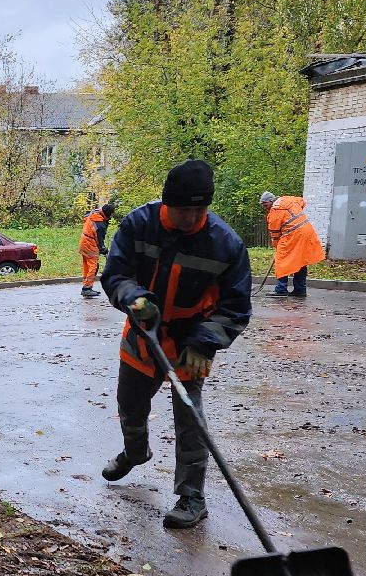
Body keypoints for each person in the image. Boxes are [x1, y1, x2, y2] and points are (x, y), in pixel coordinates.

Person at [99, 160, 252, 528]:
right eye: (185, 209)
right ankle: (136, 452)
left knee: (190, 420)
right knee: (130, 406)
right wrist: (134, 297)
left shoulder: (225, 244)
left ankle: (191, 497)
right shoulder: (139, 224)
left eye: (200, 210)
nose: (191, 217)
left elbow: (235, 307)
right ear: (168, 203)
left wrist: (205, 342)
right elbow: (116, 274)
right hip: (143, 336)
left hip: (190, 344)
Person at [260, 191, 324, 297]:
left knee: (281, 260)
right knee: (301, 260)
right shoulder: (289, 199)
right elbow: (302, 201)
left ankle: (281, 290)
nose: (264, 207)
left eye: (265, 205)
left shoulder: (275, 211)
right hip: (307, 232)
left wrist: (277, 246)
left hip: (294, 235)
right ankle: (300, 290)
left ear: (271, 201)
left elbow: (275, 233)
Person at [79, 200, 115, 297]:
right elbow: (100, 242)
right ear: (108, 214)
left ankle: (86, 286)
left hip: (84, 241)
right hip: (90, 244)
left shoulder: (95, 213)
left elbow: (85, 217)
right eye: (110, 215)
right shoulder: (100, 225)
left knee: (87, 265)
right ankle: (87, 288)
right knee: (93, 267)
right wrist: (105, 251)